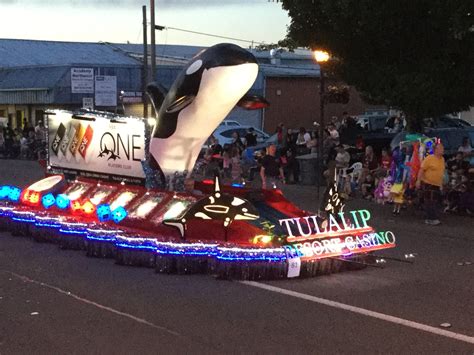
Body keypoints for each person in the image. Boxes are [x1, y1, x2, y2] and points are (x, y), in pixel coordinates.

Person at [416, 143, 445, 225]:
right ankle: (431, 218)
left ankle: (431, 217)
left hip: (437, 184)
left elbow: (441, 172)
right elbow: (422, 169)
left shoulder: (442, 159)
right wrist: (418, 180)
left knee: (435, 201)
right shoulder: (429, 159)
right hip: (429, 183)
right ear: (436, 150)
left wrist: (442, 183)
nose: (443, 150)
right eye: (441, 148)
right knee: (430, 201)